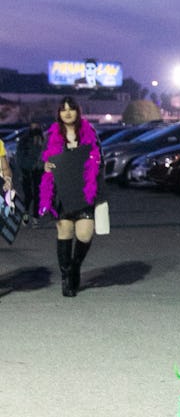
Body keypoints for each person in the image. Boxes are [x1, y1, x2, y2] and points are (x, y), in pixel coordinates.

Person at [39, 98, 102, 296]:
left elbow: (99, 158)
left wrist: (95, 162)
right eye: (63, 110)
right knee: (65, 233)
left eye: (71, 109)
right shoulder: (51, 135)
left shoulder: (90, 133)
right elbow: (41, 160)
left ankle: (75, 266)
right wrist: (45, 166)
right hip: (61, 192)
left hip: (84, 191)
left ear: (77, 112)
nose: (67, 113)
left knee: (84, 234)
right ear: (58, 113)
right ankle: (66, 277)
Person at [14, 121, 45, 223]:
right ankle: (25, 215)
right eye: (33, 125)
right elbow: (19, 156)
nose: (35, 127)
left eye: (37, 125)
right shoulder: (25, 139)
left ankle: (35, 217)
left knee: (37, 194)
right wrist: (20, 171)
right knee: (28, 195)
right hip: (26, 170)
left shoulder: (43, 139)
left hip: (39, 170)